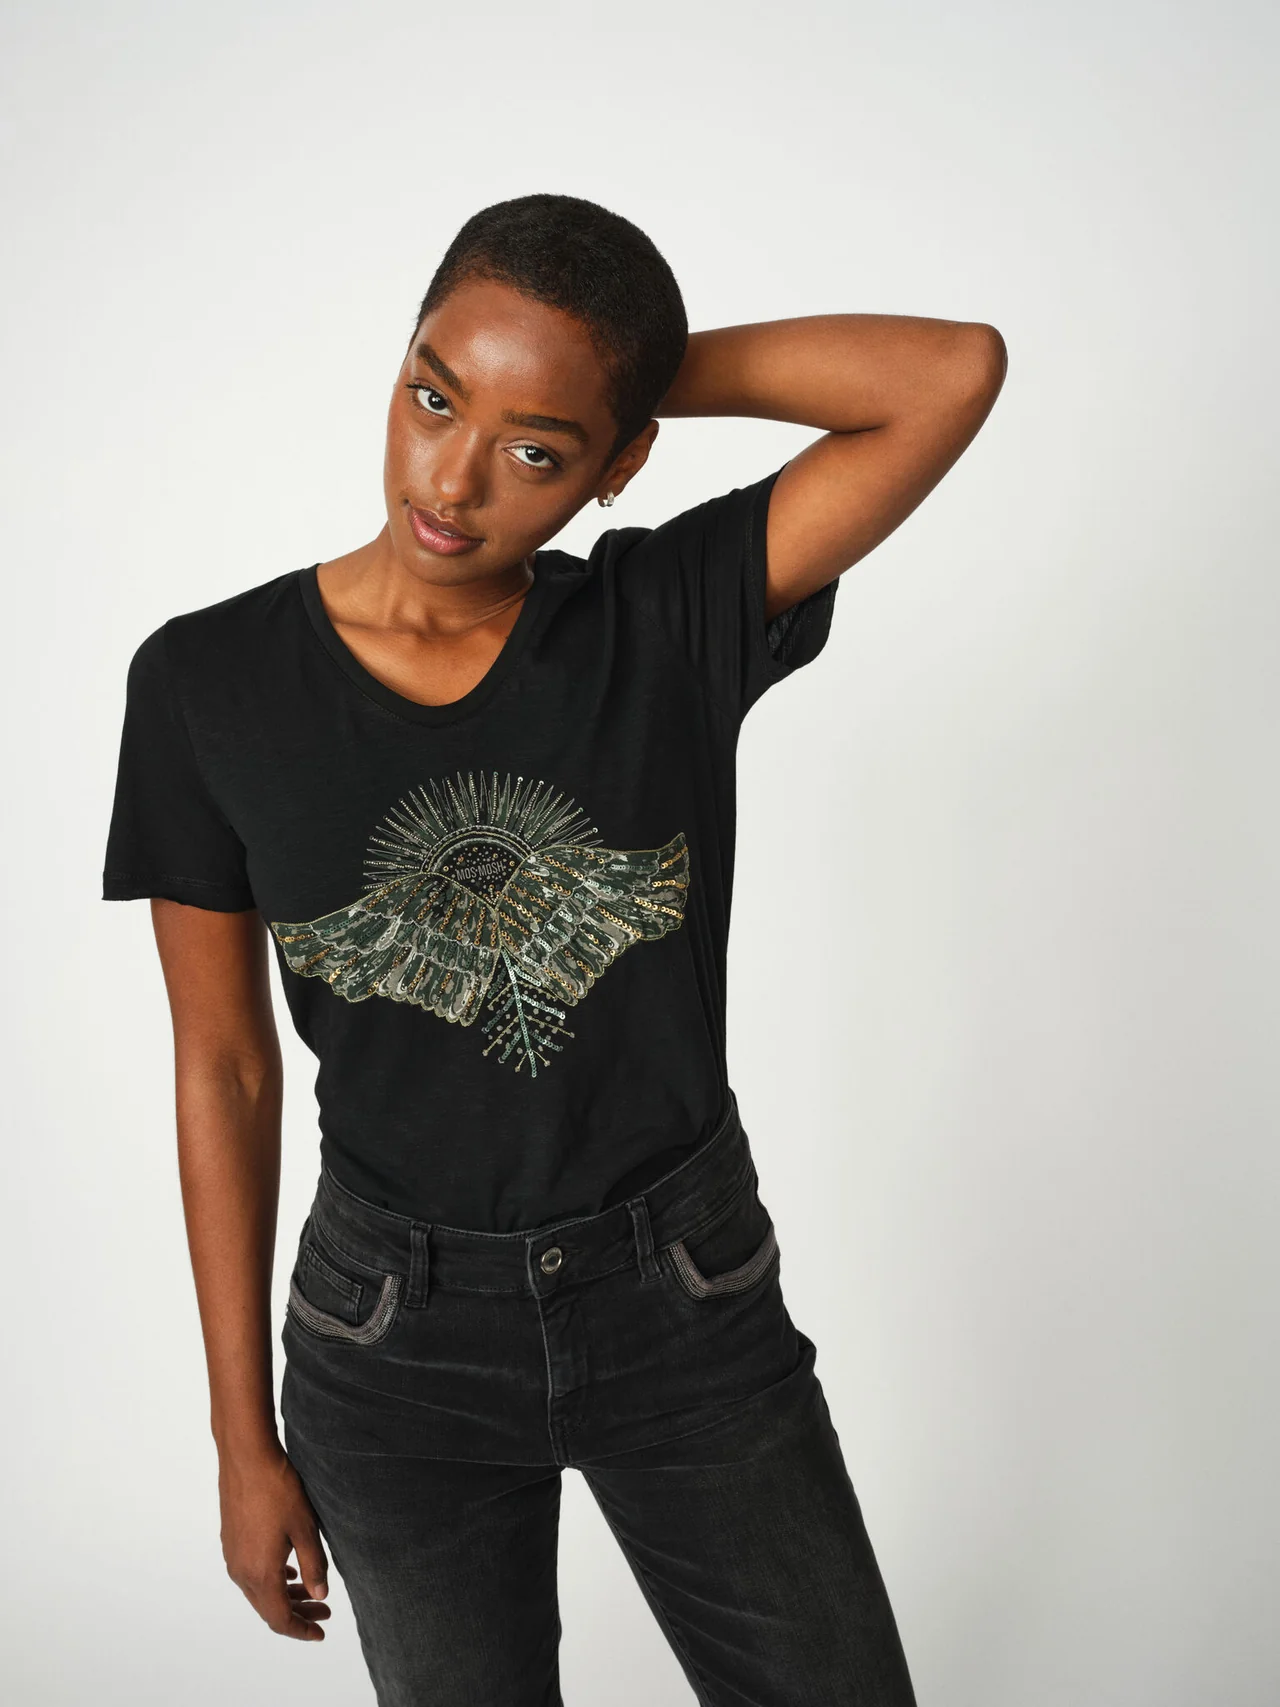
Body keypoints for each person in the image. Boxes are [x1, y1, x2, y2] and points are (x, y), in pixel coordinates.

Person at [102, 192, 1005, 1706]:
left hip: (685, 1298)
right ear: (400, 365)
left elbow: (950, 372)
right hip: (391, 1334)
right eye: (435, 396)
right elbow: (225, 1068)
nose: (453, 479)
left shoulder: (667, 617)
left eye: (537, 450)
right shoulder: (206, 683)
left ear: (617, 464)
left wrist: (628, 363)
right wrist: (239, 1440)